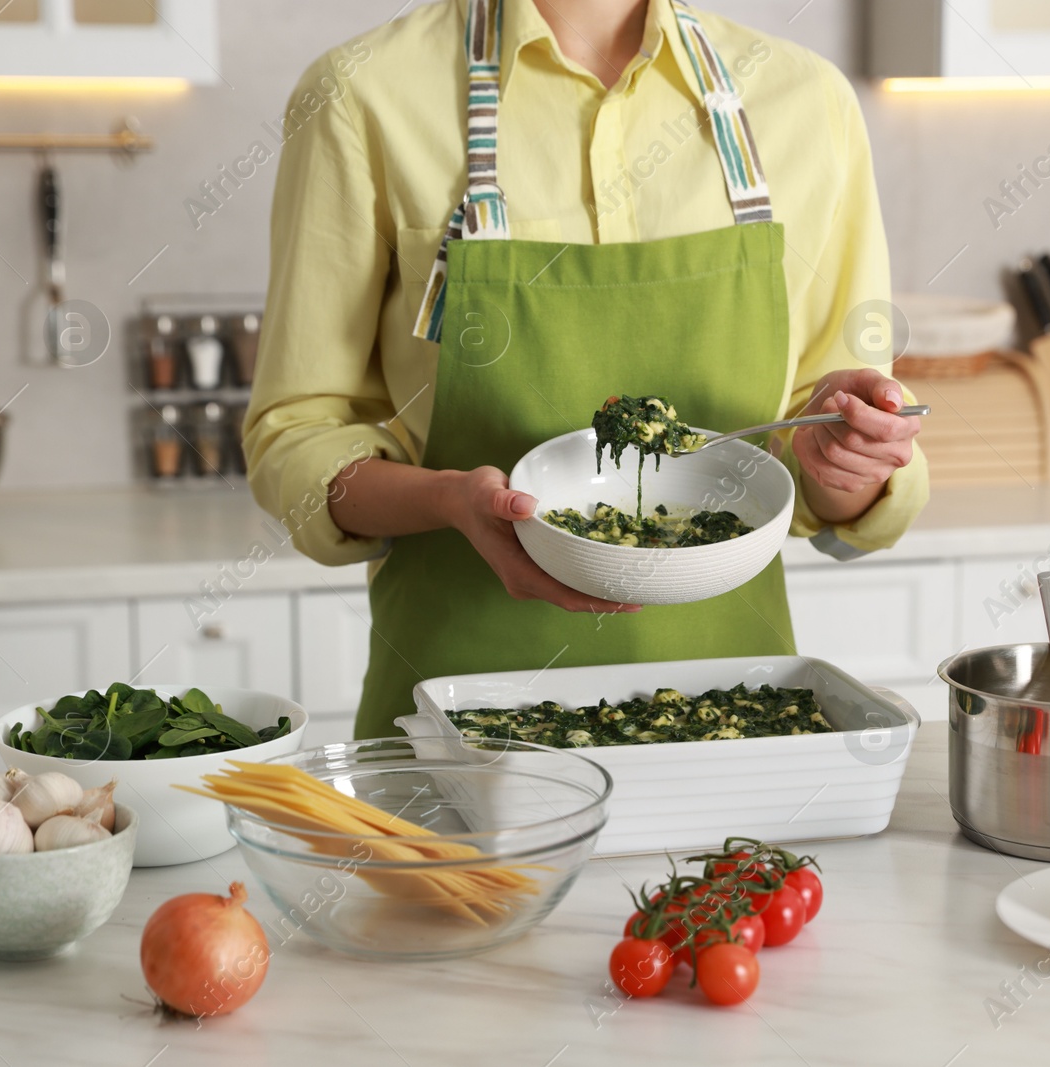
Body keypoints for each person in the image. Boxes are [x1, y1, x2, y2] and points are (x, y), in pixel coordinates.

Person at [245, 0, 929, 738]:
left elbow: (821, 440)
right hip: (457, 727)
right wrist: (446, 500)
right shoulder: (363, 93)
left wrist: (845, 452)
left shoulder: (807, 101)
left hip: (732, 725)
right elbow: (297, 434)